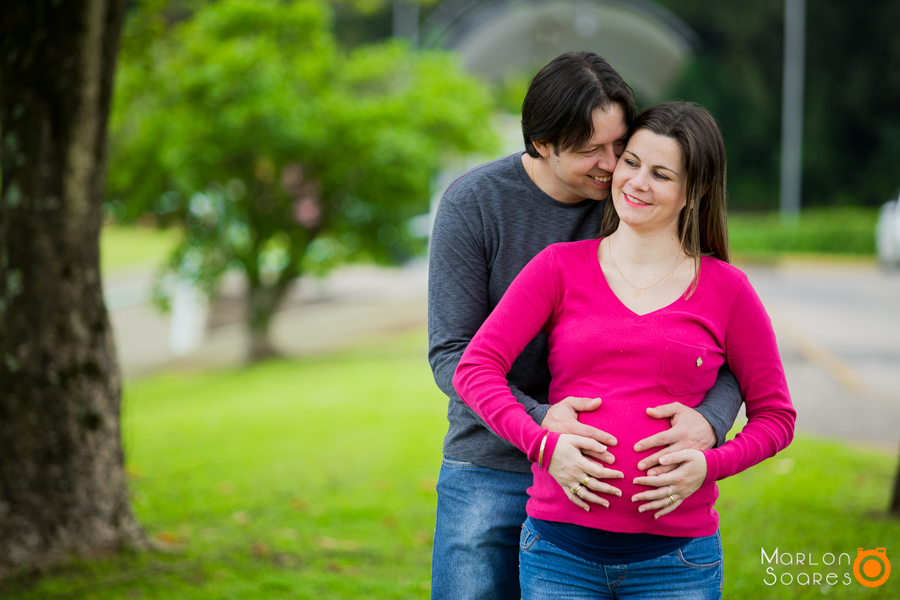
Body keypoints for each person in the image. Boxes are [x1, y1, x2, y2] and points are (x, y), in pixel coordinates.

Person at [427, 52, 744, 600]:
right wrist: (544, 425)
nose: (611, 163)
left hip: (604, 496)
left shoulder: (633, 200)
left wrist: (709, 424)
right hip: (491, 463)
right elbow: (453, 353)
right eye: (589, 150)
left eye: (619, 144)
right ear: (542, 144)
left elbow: (725, 341)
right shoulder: (473, 205)